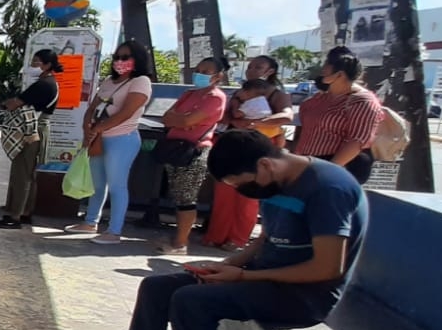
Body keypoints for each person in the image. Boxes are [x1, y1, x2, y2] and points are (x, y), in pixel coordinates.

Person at [88, 130, 369, 330]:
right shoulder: (277, 181)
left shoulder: (329, 189)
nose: (244, 191)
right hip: (261, 276)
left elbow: (328, 268)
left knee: (191, 302)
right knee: (157, 287)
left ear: (265, 165)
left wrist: (245, 276)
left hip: (304, 295)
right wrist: (225, 266)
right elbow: (266, 238)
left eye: (243, 184)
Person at [66, 40, 153, 243]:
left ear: (137, 60)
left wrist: (98, 128)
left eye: (125, 57)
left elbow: (126, 112)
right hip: (98, 139)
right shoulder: (108, 82)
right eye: (117, 57)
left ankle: (114, 231)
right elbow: (92, 107)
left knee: (117, 185)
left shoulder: (140, 81)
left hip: (122, 139)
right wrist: (88, 128)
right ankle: (90, 221)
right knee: (97, 184)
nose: (119, 61)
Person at [205, 56, 294, 250]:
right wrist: (237, 121)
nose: (252, 70)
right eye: (251, 66)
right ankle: (216, 234)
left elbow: (287, 115)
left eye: (258, 67)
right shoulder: (240, 92)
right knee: (224, 190)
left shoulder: (277, 94)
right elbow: (225, 115)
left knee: (249, 194)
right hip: (235, 144)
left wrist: (259, 122)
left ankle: (237, 239)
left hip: (259, 147)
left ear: (270, 71)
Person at [156, 57, 229, 255]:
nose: (200, 74)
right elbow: (167, 118)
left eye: (206, 71)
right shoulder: (189, 94)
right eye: (198, 69)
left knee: (186, 198)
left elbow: (187, 119)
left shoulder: (216, 97)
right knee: (178, 196)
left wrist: (182, 120)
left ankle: (180, 243)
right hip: (175, 148)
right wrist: (182, 121)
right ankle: (177, 238)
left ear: (218, 76)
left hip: (194, 150)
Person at [294, 46, 384, 184]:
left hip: (339, 168)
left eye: (327, 65)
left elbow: (356, 141)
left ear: (340, 74)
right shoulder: (318, 99)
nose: (322, 70)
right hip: (309, 163)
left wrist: (328, 171)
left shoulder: (362, 101)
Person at [0, 49, 61, 229]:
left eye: (37, 62)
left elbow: (15, 103)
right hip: (38, 130)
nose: (33, 65)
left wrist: (4, 102)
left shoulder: (43, 85)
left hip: (31, 131)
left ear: (47, 65)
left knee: (21, 175)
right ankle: (25, 212)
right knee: (29, 174)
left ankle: (14, 216)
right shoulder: (50, 83)